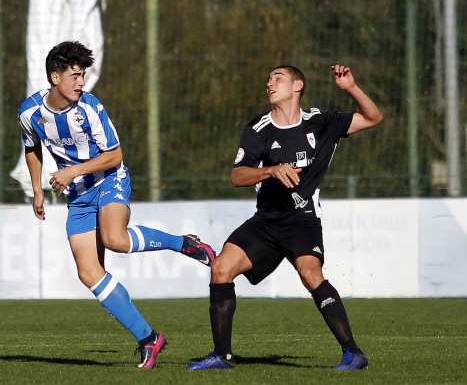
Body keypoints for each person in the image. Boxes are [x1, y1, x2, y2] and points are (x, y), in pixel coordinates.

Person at [18, 41, 217, 368]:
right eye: (75, 76)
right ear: (55, 77)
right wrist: (38, 191)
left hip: (110, 179)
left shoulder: (90, 108)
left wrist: (73, 170)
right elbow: (31, 146)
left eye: (83, 76)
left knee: (115, 239)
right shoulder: (29, 111)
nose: (81, 83)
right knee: (89, 273)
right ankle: (148, 338)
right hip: (78, 195)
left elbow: (115, 154)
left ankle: (184, 244)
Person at [187, 64, 382, 371]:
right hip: (265, 221)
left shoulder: (320, 122)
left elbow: (374, 118)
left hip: (301, 218)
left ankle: (353, 353)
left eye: (277, 78)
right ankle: (222, 356)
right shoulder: (258, 129)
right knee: (221, 268)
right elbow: (237, 177)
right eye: (268, 79)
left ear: (297, 85)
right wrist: (270, 170)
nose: (269, 83)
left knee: (309, 272)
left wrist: (351, 89)